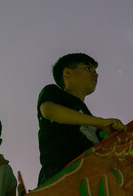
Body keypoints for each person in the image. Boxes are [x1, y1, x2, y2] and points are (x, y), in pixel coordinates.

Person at [37, 53, 126, 185]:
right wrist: (100, 122)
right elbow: (48, 110)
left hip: (88, 182)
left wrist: (110, 136)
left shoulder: (89, 118)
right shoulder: (54, 92)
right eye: (88, 69)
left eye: (96, 71)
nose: (96, 75)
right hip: (58, 178)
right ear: (67, 72)